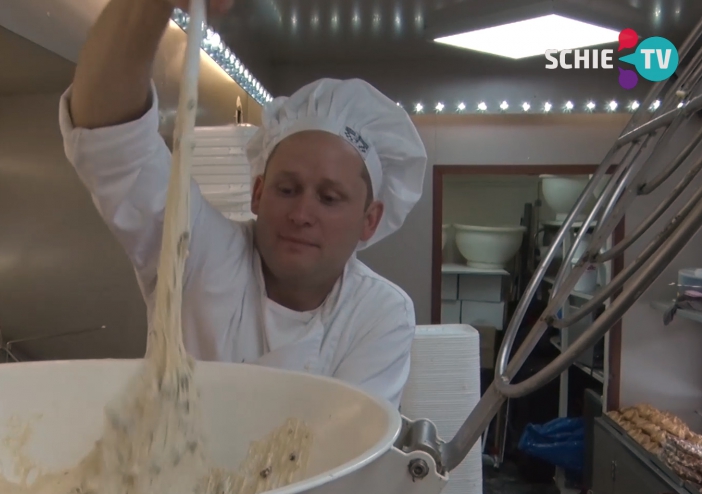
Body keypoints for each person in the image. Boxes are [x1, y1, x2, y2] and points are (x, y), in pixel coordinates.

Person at [60, 0, 427, 410]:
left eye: (329, 198)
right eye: (286, 189)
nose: (302, 215)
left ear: (370, 220)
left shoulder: (378, 314)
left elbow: (347, 446)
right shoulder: (200, 254)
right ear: (257, 194)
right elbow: (109, 142)